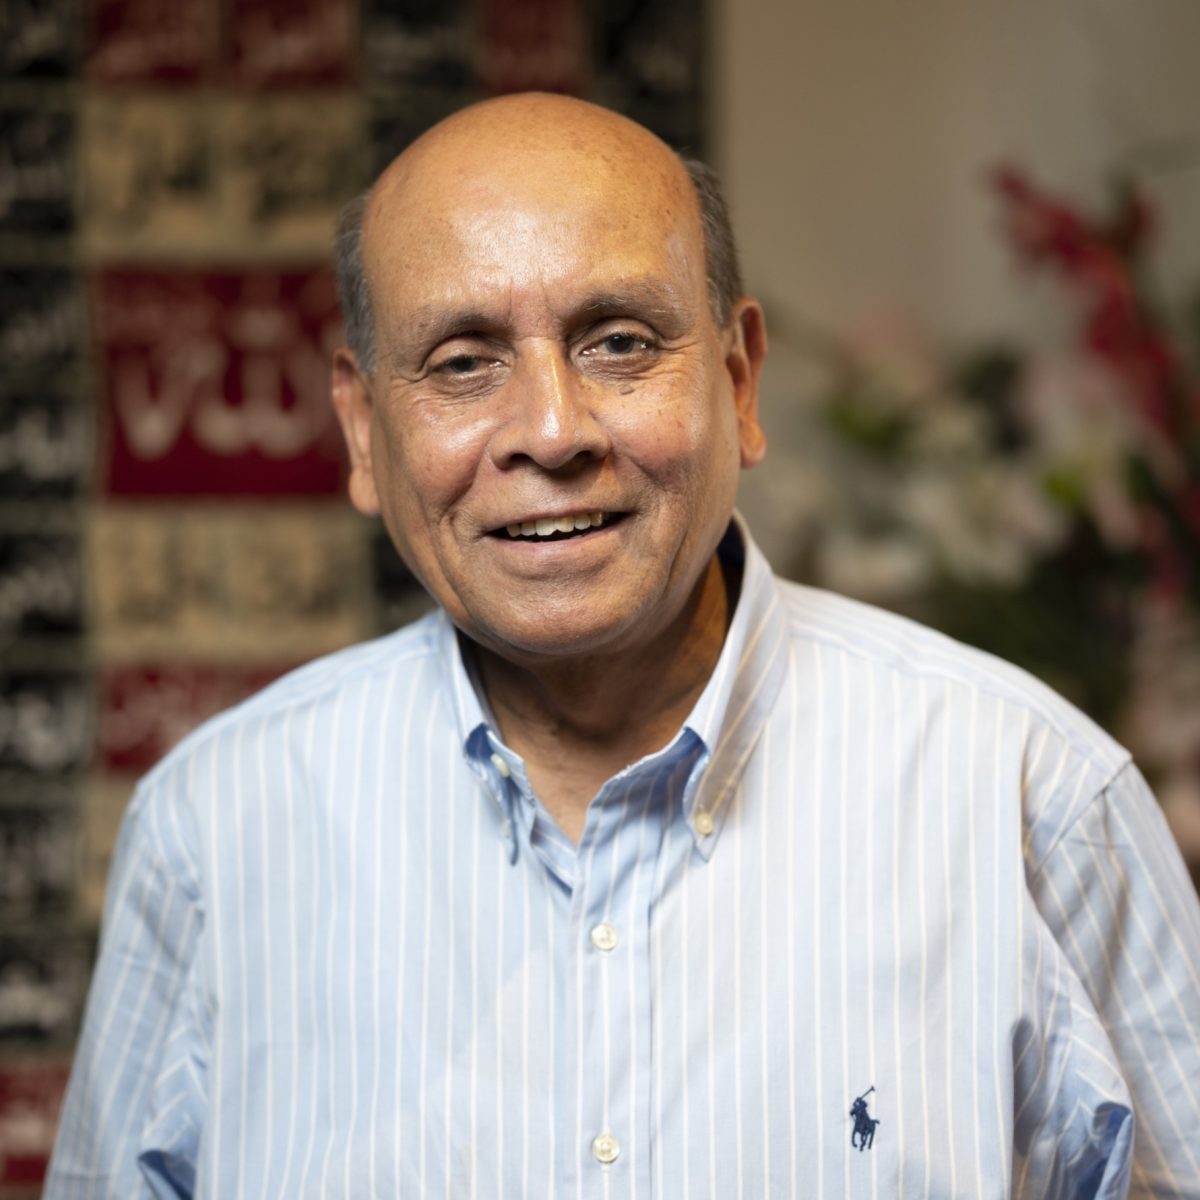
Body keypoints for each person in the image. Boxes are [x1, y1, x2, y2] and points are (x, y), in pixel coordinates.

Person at [47, 93, 1200, 1198]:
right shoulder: (212, 831)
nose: (552, 432)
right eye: (462, 362)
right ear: (362, 429)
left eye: (617, 342)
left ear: (740, 379)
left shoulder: (1033, 801)